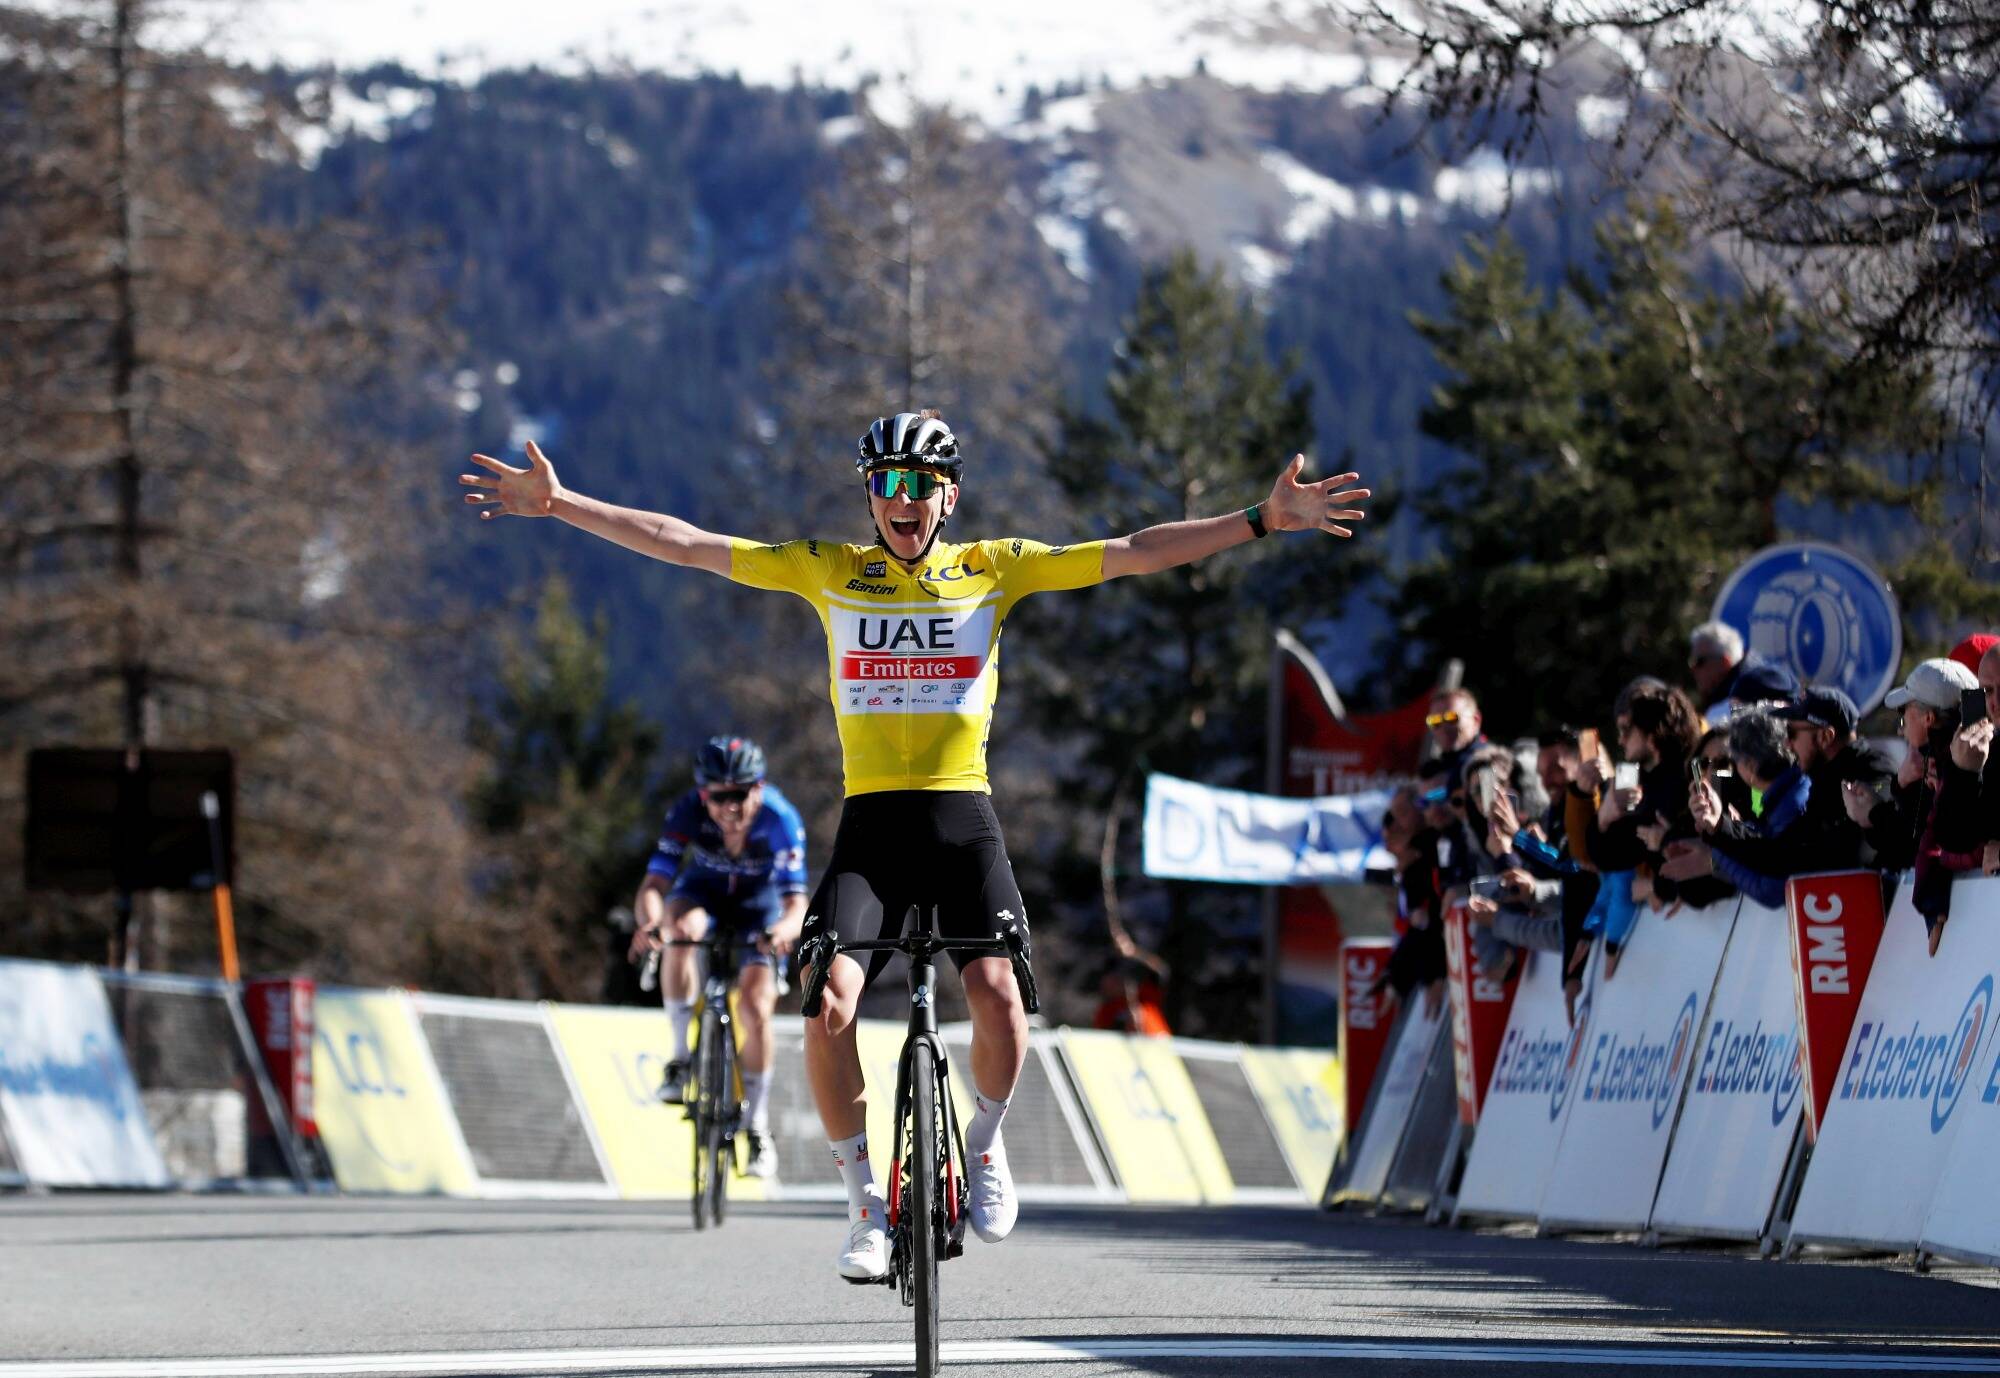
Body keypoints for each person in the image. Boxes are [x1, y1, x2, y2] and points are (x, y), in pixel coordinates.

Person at [461, 413, 1368, 1280]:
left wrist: (1261, 519)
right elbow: (686, 542)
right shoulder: (827, 571)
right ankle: (863, 1203)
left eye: (920, 484)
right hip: (873, 831)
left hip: (962, 821)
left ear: (950, 496)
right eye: (886, 483)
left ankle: (982, 1147)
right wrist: (564, 503)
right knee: (827, 1003)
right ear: (869, 496)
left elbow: (1134, 553)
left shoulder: (993, 569)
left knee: (1001, 995)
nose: (902, 499)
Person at [631, 736, 808, 1180]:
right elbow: (655, 884)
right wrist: (651, 923)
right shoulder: (686, 811)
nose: (730, 807)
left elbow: (796, 904)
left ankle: (758, 1124)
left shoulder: (779, 819)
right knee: (679, 933)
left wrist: (782, 933)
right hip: (703, 894)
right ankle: (678, 1058)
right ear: (703, 794)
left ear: (760, 788)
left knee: (753, 1004)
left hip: (760, 908)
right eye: (718, 796)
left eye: (741, 794)